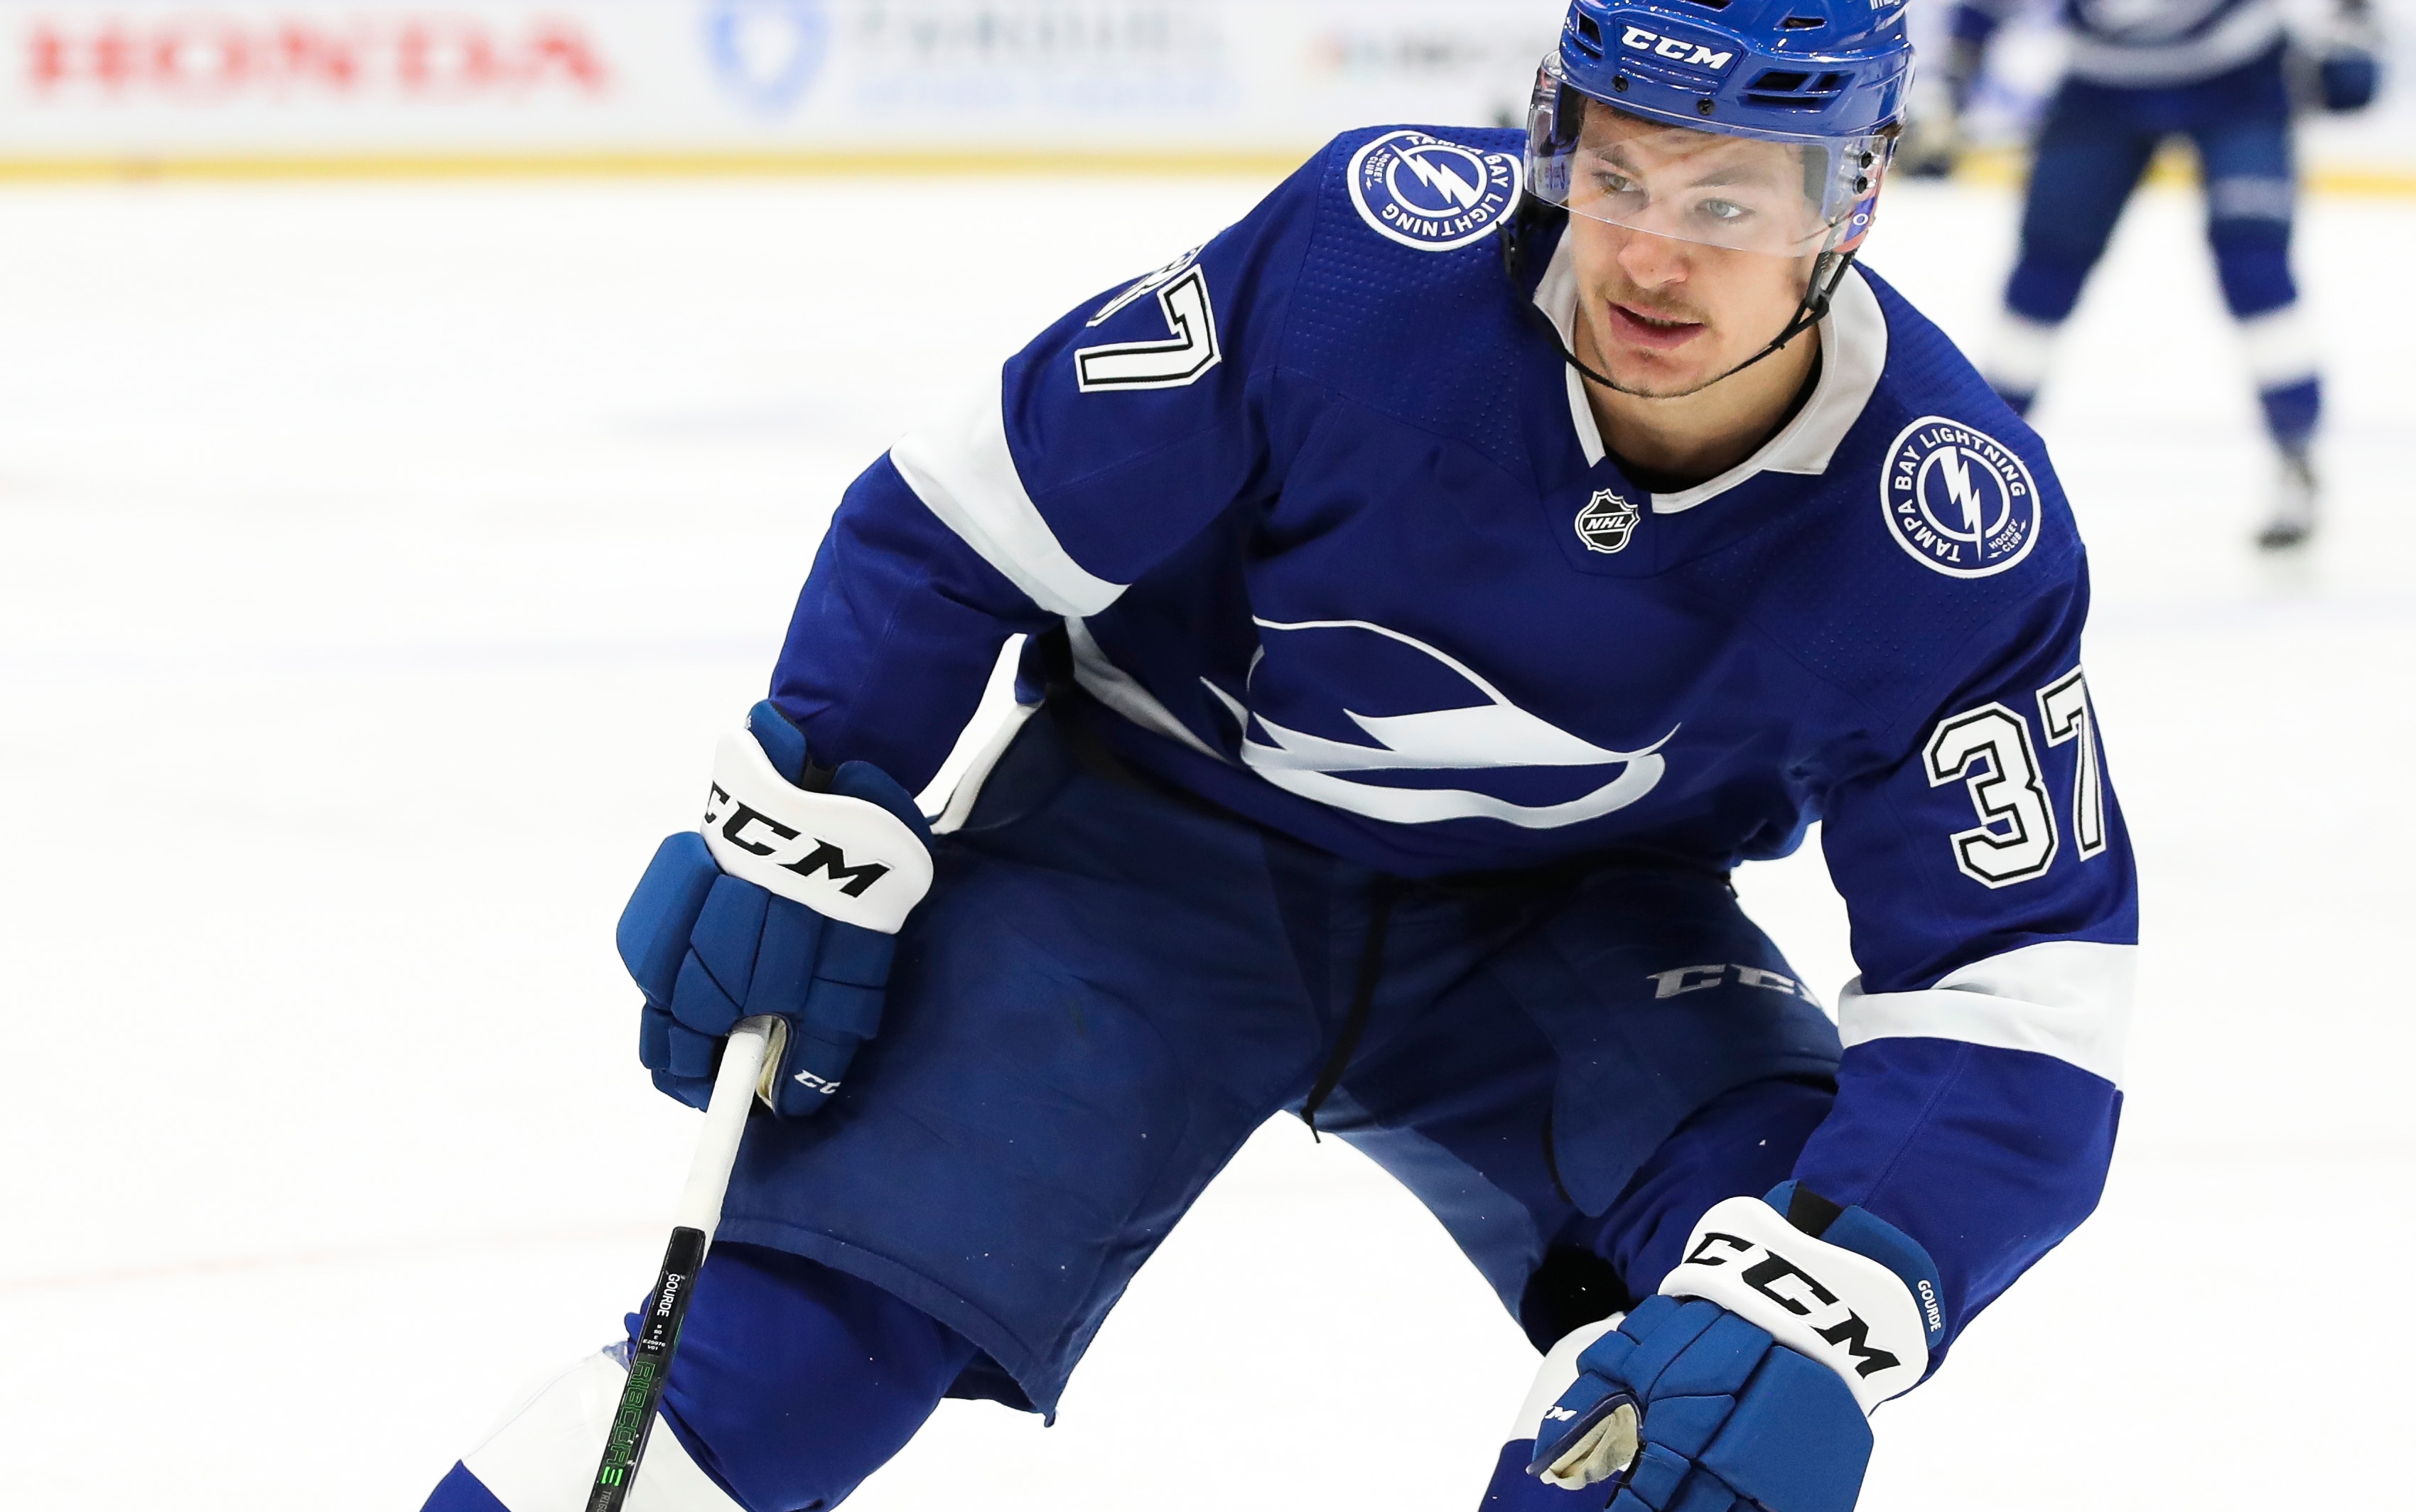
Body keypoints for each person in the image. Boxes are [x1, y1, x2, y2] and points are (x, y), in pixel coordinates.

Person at [424, 2, 2137, 1509]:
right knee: (778, 1362)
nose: (1645, 258)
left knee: (1692, 1427)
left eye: (1723, 202)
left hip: (1571, 931)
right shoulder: (1365, 266)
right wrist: (811, 795)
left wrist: (1849, 1280)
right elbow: (962, 514)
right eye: (1613, 178)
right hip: (1139, 848)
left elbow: (2018, 984)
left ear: (1846, 202)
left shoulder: (1944, 529)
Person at [1938, 0, 2385, 548]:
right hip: (2103, 87)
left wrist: (2351, 33)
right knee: (2043, 281)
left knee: (2255, 271)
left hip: (2238, 80)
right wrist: (1958, 66)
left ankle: (2297, 454)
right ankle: (1983, 461)